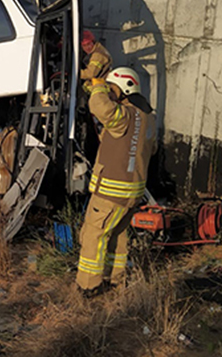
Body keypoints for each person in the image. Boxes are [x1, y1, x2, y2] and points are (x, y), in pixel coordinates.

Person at [76, 66, 156, 297]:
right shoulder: (148, 118)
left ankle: (88, 286)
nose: (110, 94)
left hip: (111, 192)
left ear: (125, 88)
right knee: (118, 237)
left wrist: (97, 84)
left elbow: (100, 106)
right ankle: (115, 280)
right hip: (133, 192)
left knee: (94, 235)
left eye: (113, 89)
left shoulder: (124, 115)